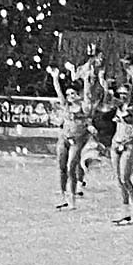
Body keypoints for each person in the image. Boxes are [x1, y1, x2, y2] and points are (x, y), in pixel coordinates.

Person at [49, 66, 95, 210]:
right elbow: (59, 93)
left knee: (71, 167)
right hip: (64, 137)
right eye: (68, 94)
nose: (70, 96)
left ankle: (72, 198)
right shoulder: (66, 105)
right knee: (61, 167)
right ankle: (63, 195)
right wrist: (55, 78)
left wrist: (87, 80)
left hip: (77, 139)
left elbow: (88, 96)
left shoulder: (84, 107)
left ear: (78, 94)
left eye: (73, 94)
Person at [110, 84, 133, 225]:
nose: (122, 96)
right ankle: (125, 210)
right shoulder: (119, 107)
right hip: (116, 143)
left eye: (125, 93)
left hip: (128, 143)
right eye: (121, 93)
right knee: (119, 179)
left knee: (126, 178)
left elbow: (131, 121)